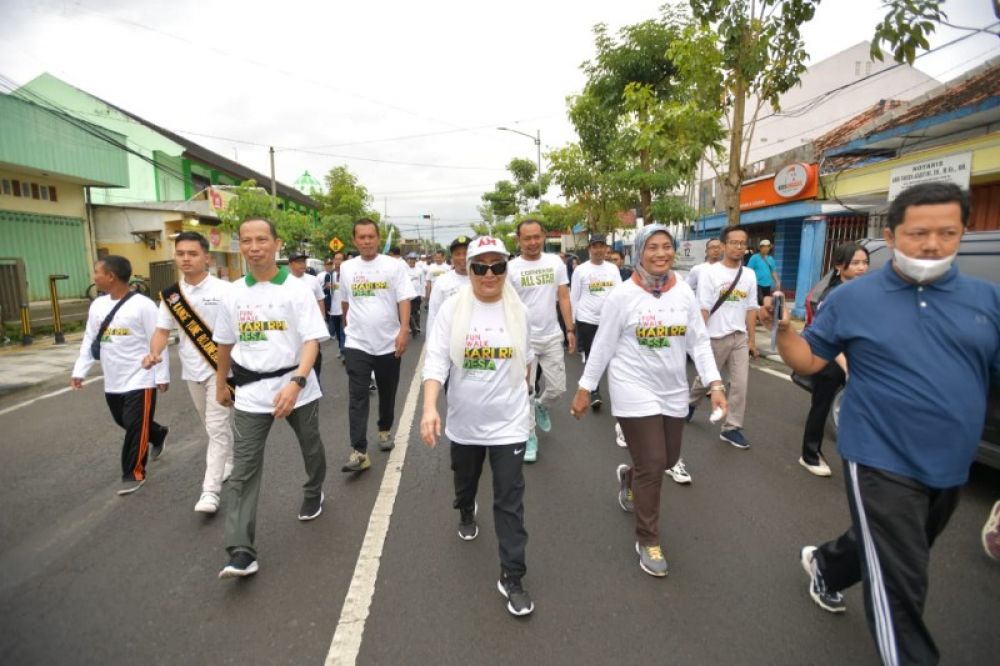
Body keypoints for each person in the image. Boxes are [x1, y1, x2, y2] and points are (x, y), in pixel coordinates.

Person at [768, 182, 1000, 665]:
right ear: (891, 236)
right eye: (918, 233)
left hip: (951, 462)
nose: (932, 245)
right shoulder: (855, 299)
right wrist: (783, 331)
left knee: (900, 544)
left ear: (963, 232)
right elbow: (810, 360)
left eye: (946, 232)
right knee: (901, 577)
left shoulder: (986, 300)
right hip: (877, 453)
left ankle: (829, 567)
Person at [570, 225, 725, 577]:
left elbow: (698, 342)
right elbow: (603, 346)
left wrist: (715, 383)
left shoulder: (683, 293)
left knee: (667, 459)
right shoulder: (622, 297)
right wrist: (584, 387)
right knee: (655, 463)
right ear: (638, 252)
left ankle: (630, 476)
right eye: (652, 247)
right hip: (632, 387)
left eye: (666, 247)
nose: (660, 253)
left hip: (672, 389)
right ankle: (648, 538)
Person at [420, 236, 535, 616]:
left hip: (510, 423)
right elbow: (436, 362)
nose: (490, 274)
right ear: (468, 270)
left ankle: (512, 574)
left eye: (497, 266)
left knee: (509, 499)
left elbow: (527, 361)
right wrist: (430, 408)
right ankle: (465, 508)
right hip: (465, 422)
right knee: (465, 479)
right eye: (480, 266)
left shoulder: (518, 310)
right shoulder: (453, 309)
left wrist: (527, 407)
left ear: (506, 269)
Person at [213, 218, 329, 579]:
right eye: (246, 240)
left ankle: (314, 490)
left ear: (276, 244)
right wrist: (221, 382)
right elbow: (225, 343)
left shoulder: (296, 290)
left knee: (311, 446)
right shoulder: (232, 293)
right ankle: (241, 550)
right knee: (243, 472)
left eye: (262, 239)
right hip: (250, 394)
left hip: (297, 388)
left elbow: (312, 340)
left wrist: (296, 383)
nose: (254, 246)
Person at [143, 231, 233, 513]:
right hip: (191, 370)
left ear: (207, 257)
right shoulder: (171, 296)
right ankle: (228, 461)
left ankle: (210, 491)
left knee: (217, 427)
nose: (186, 259)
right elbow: (161, 330)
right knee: (210, 425)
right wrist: (154, 352)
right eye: (180, 253)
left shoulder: (225, 290)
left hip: (221, 370)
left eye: (192, 254)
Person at [71, 255, 170, 496]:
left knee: (136, 427)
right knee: (123, 420)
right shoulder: (97, 306)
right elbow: (89, 340)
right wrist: (79, 370)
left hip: (141, 376)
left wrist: (161, 375)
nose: (93, 277)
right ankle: (157, 434)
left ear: (111, 276)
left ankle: (133, 473)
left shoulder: (143, 305)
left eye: (97, 272)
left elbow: (158, 339)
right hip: (113, 379)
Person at [340, 218, 416, 471]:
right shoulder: (348, 267)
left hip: (388, 342)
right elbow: (345, 301)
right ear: (355, 240)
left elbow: (404, 299)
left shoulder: (394, 266)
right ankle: (358, 451)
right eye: (361, 237)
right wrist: (346, 326)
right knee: (357, 396)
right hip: (357, 342)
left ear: (378, 238)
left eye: (370, 236)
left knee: (388, 390)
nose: (366, 241)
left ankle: (384, 429)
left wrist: (403, 330)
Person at [798, 243, 870, 477]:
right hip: (830, 359)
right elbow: (828, 335)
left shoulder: (865, 291)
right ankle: (809, 454)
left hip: (854, 358)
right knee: (821, 406)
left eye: (864, 263)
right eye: (856, 263)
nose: (861, 268)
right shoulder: (832, 295)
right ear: (840, 266)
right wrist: (846, 365)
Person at [507, 219, 575, 463]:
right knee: (526, 391)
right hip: (524, 340)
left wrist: (570, 329)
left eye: (537, 237)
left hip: (551, 335)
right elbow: (506, 305)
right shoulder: (511, 268)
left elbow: (564, 297)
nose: (533, 242)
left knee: (557, 389)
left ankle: (542, 405)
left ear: (543, 236)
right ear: (519, 240)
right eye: (527, 238)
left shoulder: (556, 262)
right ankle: (529, 438)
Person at [688, 225, 759, 450]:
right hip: (715, 336)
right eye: (734, 243)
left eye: (742, 243)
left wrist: (751, 340)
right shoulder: (709, 272)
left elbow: (751, 308)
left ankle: (731, 428)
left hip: (739, 337)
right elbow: (704, 307)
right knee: (706, 378)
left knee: (740, 384)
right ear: (724, 245)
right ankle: (689, 404)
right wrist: (699, 339)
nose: (739, 247)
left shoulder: (749, 274)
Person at [569, 233, 622, 408]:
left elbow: (620, 294)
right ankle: (594, 391)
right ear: (589, 249)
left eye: (602, 246)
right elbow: (574, 297)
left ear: (606, 248)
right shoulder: (581, 270)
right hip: (587, 320)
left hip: (609, 321)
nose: (599, 250)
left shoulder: (613, 269)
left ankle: (618, 392)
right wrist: (572, 325)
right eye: (595, 246)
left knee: (615, 357)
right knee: (593, 355)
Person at [288, 252, 326, 381]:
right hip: (292, 327)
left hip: (311, 326)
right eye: (299, 262)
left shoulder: (312, 280)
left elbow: (320, 299)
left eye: (303, 262)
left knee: (315, 356)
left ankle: (316, 382)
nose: (302, 265)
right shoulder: (286, 282)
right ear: (291, 264)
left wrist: (322, 318)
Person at [427, 236, 471, 333]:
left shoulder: (483, 279)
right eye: (457, 254)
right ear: (451, 257)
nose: (462, 258)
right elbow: (434, 314)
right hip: (448, 337)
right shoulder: (442, 281)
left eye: (466, 253)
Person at [324, 252, 347, 361]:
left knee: (343, 332)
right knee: (337, 332)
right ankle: (341, 348)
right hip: (333, 309)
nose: (338, 262)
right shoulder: (329, 275)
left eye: (340, 259)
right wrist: (327, 287)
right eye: (336, 259)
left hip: (344, 308)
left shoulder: (347, 274)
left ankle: (344, 352)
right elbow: (324, 290)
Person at [748, 239, 779, 305]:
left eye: (767, 247)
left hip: (768, 284)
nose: (766, 248)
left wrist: (777, 281)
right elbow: (749, 271)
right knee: (760, 301)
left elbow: (773, 271)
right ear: (760, 248)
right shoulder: (754, 258)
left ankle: (762, 314)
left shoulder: (770, 259)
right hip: (757, 284)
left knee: (766, 302)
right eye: (764, 247)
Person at [405, 252, 426, 336]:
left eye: (413, 260)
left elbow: (423, 283)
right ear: (407, 260)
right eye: (410, 259)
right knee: (408, 312)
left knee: (416, 312)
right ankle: (412, 327)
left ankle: (417, 327)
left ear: (415, 261)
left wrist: (423, 294)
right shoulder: (404, 271)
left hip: (417, 294)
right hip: (407, 295)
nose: (411, 261)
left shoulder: (420, 271)